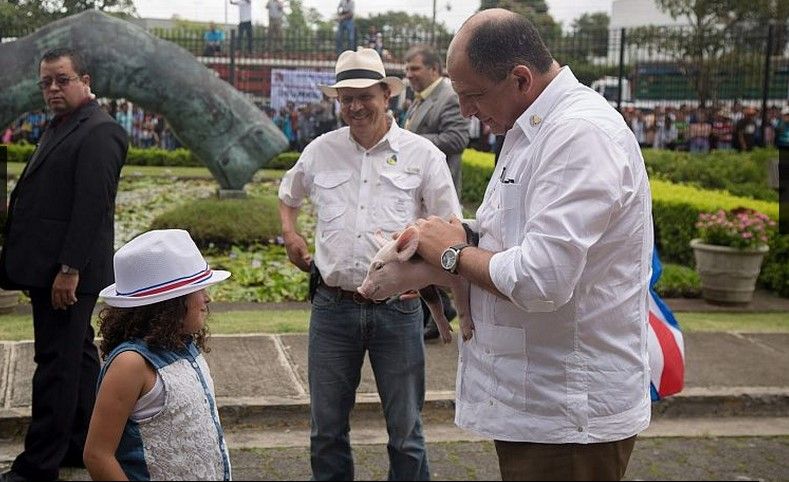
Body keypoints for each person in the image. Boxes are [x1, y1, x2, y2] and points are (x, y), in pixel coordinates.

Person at [412, 9, 653, 481]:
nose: (465, 112)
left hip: (565, 417)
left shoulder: (576, 134)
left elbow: (543, 279)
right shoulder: (533, 128)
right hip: (541, 407)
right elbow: (514, 237)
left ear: (520, 78)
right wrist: (447, 241)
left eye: (472, 95)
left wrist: (453, 254)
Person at [278, 48, 461, 480]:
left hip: (398, 312)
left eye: (365, 95)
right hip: (332, 307)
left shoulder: (422, 155)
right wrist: (291, 233)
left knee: (406, 434)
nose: (356, 106)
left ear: (387, 94)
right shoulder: (321, 150)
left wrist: (425, 272)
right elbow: (288, 196)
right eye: (346, 98)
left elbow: (451, 226)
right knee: (325, 433)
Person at [0, 47, 128, 482]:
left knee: (55, 367)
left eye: (61, 79)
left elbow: (90, 208)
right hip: (48, 268)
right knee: (76, 358)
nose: (52, 88)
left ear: (84, 80)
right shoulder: (65, 124)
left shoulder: (99, 131)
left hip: (67, 274)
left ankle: (38, 467)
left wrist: (69, 270)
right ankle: (80, 443)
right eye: (46, 82)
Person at [83, 229, 232, 480]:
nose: (207, 298)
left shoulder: (184, 346)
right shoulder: (131, 364)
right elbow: (97, 455)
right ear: (170, 303)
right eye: (198, 290)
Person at [403, 44, 469, 340]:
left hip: (438, 190)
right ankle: (439, 310)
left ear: (434, 69)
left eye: (415, 68)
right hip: (417, 189)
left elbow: (457, 138)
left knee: (431, 252)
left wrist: (411, 141)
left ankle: (444, 310)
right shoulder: (418, 100)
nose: (409, 75)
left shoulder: (448, 98)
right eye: (407, 69)